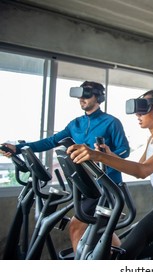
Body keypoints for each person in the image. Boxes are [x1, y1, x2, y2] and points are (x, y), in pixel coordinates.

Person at [0, 81, 130, 253]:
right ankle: (125, 259)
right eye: (80, 96)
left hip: (106, 185)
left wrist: (105, 154)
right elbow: (51, 141)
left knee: (76, 227)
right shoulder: (75, 124)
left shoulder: (111, 122)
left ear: (99, 97)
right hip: (85, 185)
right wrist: (17, 148)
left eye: (86, 95)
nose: (81, 100)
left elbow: (125, 151)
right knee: (103, 231)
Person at [66, 89, 153, 260]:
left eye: (143, 109)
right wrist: (109, 155)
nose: (137, 114)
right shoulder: (152, 139)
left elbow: (143, 171)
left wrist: (98, 156)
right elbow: (138, 166)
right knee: (125, 253)